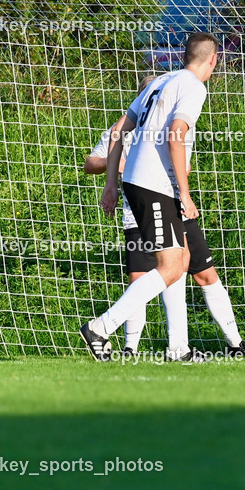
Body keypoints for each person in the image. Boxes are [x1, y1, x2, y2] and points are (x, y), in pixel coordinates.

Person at [84, 79, 245, 357]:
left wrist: (183, 193)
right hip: (146, 206)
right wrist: (115, 176)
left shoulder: (175, 122)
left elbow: (183, 163)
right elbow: (98, 155)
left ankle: (197, 346)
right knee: (157, 271)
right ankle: (119, 339)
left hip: (175, 202)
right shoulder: (132, 126)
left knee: (187, 267)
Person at [80, 32, 218, 362]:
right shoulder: (193, 87)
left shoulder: (161, 82)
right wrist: (185, 193)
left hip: (141, 182)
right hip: (154, 184)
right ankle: (101, 327)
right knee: (170, 266)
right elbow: (176, 135)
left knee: (180, 260)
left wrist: (111, 183)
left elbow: (118, 132)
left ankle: (178, 348)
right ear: (212, 60)